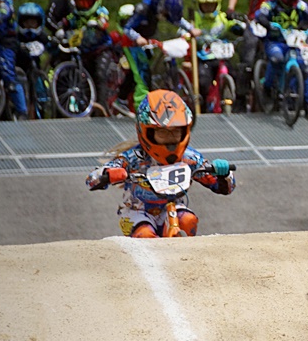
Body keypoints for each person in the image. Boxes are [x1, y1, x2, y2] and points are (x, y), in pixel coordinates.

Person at [86, 89, 236, 238]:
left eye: (176, 131)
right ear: (147, 132)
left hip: (173, 209)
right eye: (163, 132)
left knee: (188, 221)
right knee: (145, 234)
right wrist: (107, 174)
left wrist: (223, 174)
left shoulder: (189, 158)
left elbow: (225, 187)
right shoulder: (134, 157)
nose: (170, 138)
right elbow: (92, 179)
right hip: (137, 212)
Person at [119, 0, 199, 107]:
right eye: (166, 13)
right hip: (132, 44)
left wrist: (190, 29)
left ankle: (123, 97)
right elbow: (127, 28)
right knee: (143, 77)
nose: (166, 16)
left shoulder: (160, 12)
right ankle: (141, 109)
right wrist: (137, 38)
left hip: (146, 44)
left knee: (140, 73)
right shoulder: (143, 9)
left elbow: (176, 20)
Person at [191, 0, 245, 110]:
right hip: (204, 58)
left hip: (221, 57)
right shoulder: (195, 19)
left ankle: (237, 106)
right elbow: (184, 30)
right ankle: (202, 107)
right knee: (203, 82)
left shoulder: (222, 17)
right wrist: (188, 33)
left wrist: (239, 27)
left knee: (237, 76)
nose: (208, 8)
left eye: (211, 4)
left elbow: (233, 24)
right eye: (205, 5)